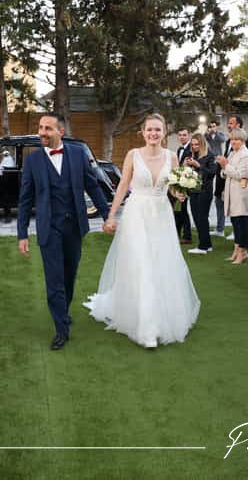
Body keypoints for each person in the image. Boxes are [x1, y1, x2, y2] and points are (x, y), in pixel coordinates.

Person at [84, 114, 200, 347]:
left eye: (158, 130)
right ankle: (146, 327)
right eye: (149, 130)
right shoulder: (133, 155)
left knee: (162, 263)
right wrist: (110, 215)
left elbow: (175, 191)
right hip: (137, 214)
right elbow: (123, 186)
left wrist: (183, 191)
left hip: (162, 215)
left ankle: (162, 316)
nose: (153, 134)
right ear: (143, 132)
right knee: (142, 263)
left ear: (164, 132)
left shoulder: (172, 157)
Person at [16, 112, 111, 351]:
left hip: (74, 227)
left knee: (69, 274)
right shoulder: (32, 160)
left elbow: (92, 185)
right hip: (49, 228)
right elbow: (25, 199)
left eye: (47, 128)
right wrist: (22, 233)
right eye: (40, 128)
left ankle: (63, 311)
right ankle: (61, 328)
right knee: (54, 279)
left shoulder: (78, 154)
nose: (42, 133)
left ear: (61, 131)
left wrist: (107, 213)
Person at [216, 128, 248, 263]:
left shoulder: (246, 154)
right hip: (231, 191)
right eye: (231, 139)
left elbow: (241, 175)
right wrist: (223, 167)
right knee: (235, 222)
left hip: (241, 192)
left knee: (240, 223)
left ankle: (242, 252)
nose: (233, 142)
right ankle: (236, 250)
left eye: (236, 139)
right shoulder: (233, 153)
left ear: (242, 140)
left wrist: (225, 165)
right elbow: (227, 172)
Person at [185, 132, 218, 254]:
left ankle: (203, 246)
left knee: (202, 218)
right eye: (193, 144)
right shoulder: (190, 154)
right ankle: (206, 244)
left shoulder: (210, 155)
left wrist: (198, 166)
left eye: (197, 144)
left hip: (205, 191)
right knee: (196, 217)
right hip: (193, 189)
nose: (194, 147)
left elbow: (212, 173)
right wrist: (186, 165)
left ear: (202, 143)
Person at [207, 120, 227, 236]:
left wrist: (216, 132)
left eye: (214, 126)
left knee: (220, 194)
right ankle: (219, 228)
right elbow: (203, 140)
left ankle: (221, 227)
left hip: (219, 161)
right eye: (211, 126)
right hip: (210, 160)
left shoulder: (220, 135)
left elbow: (222, 140)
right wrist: (208, 132)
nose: (212, 128)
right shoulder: (208, 135)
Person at [172, 127, 192, 244]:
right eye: (180, 135)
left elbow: (186, 167)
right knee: (178, 210)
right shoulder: (180, 149)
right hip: (178, 182)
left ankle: (187, 236)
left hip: (186, 183)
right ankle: (178, 234)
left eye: (184, 135)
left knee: (183, 211)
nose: (182, 137)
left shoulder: (191, 149)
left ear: (188, 135)